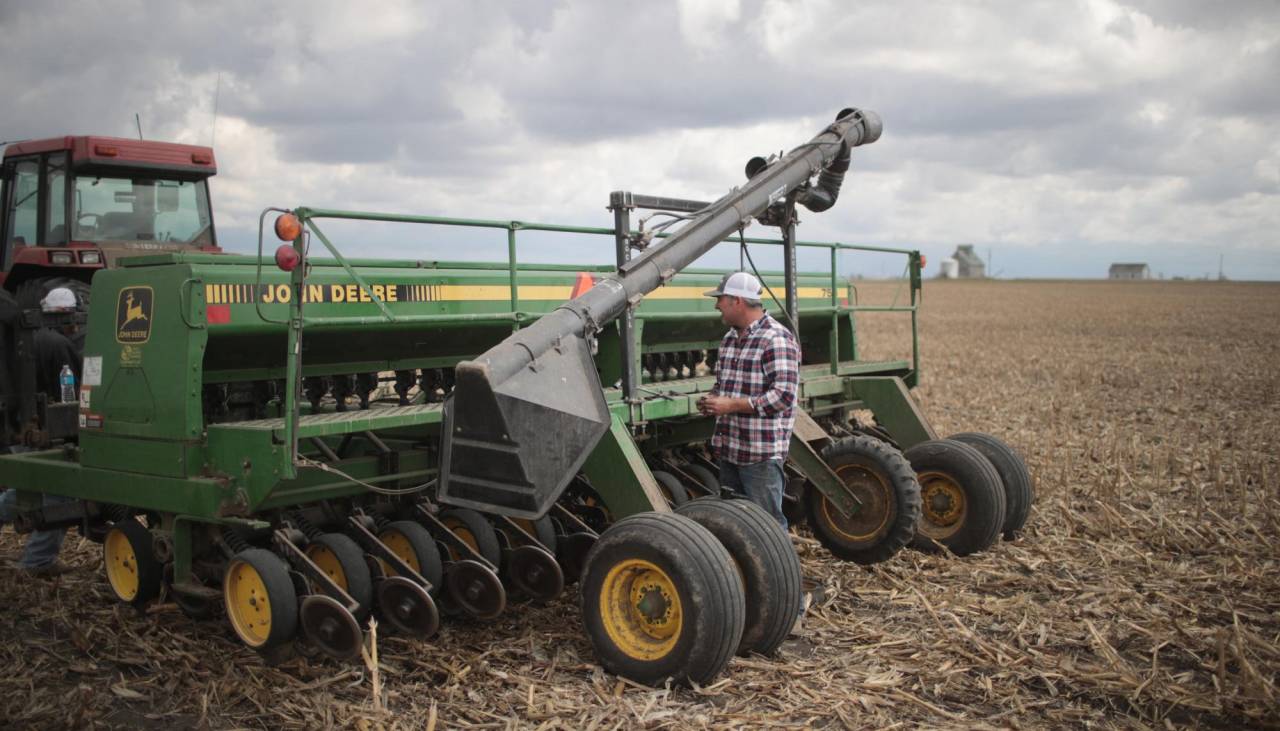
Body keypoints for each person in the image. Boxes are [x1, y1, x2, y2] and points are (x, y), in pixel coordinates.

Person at [697, 272, 800, 531]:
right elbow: (724, 386)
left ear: (737, 301)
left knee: (767, 528)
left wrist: (730, 405)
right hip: (729, 449)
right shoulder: (729, 340)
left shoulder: (775, 338)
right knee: (735, 526)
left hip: (760, 455)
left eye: (721, 299)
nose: (717, 305)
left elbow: (783, 396)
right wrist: (712, 400)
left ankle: (780, 571)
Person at [0, 286, 81, 577]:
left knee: (27, 490)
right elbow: (70, 394)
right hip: (46, 433)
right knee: (61, 496)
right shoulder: (59, 345)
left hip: (20, 428)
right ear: (72, 315)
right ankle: (37, 562)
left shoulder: (22, 338)